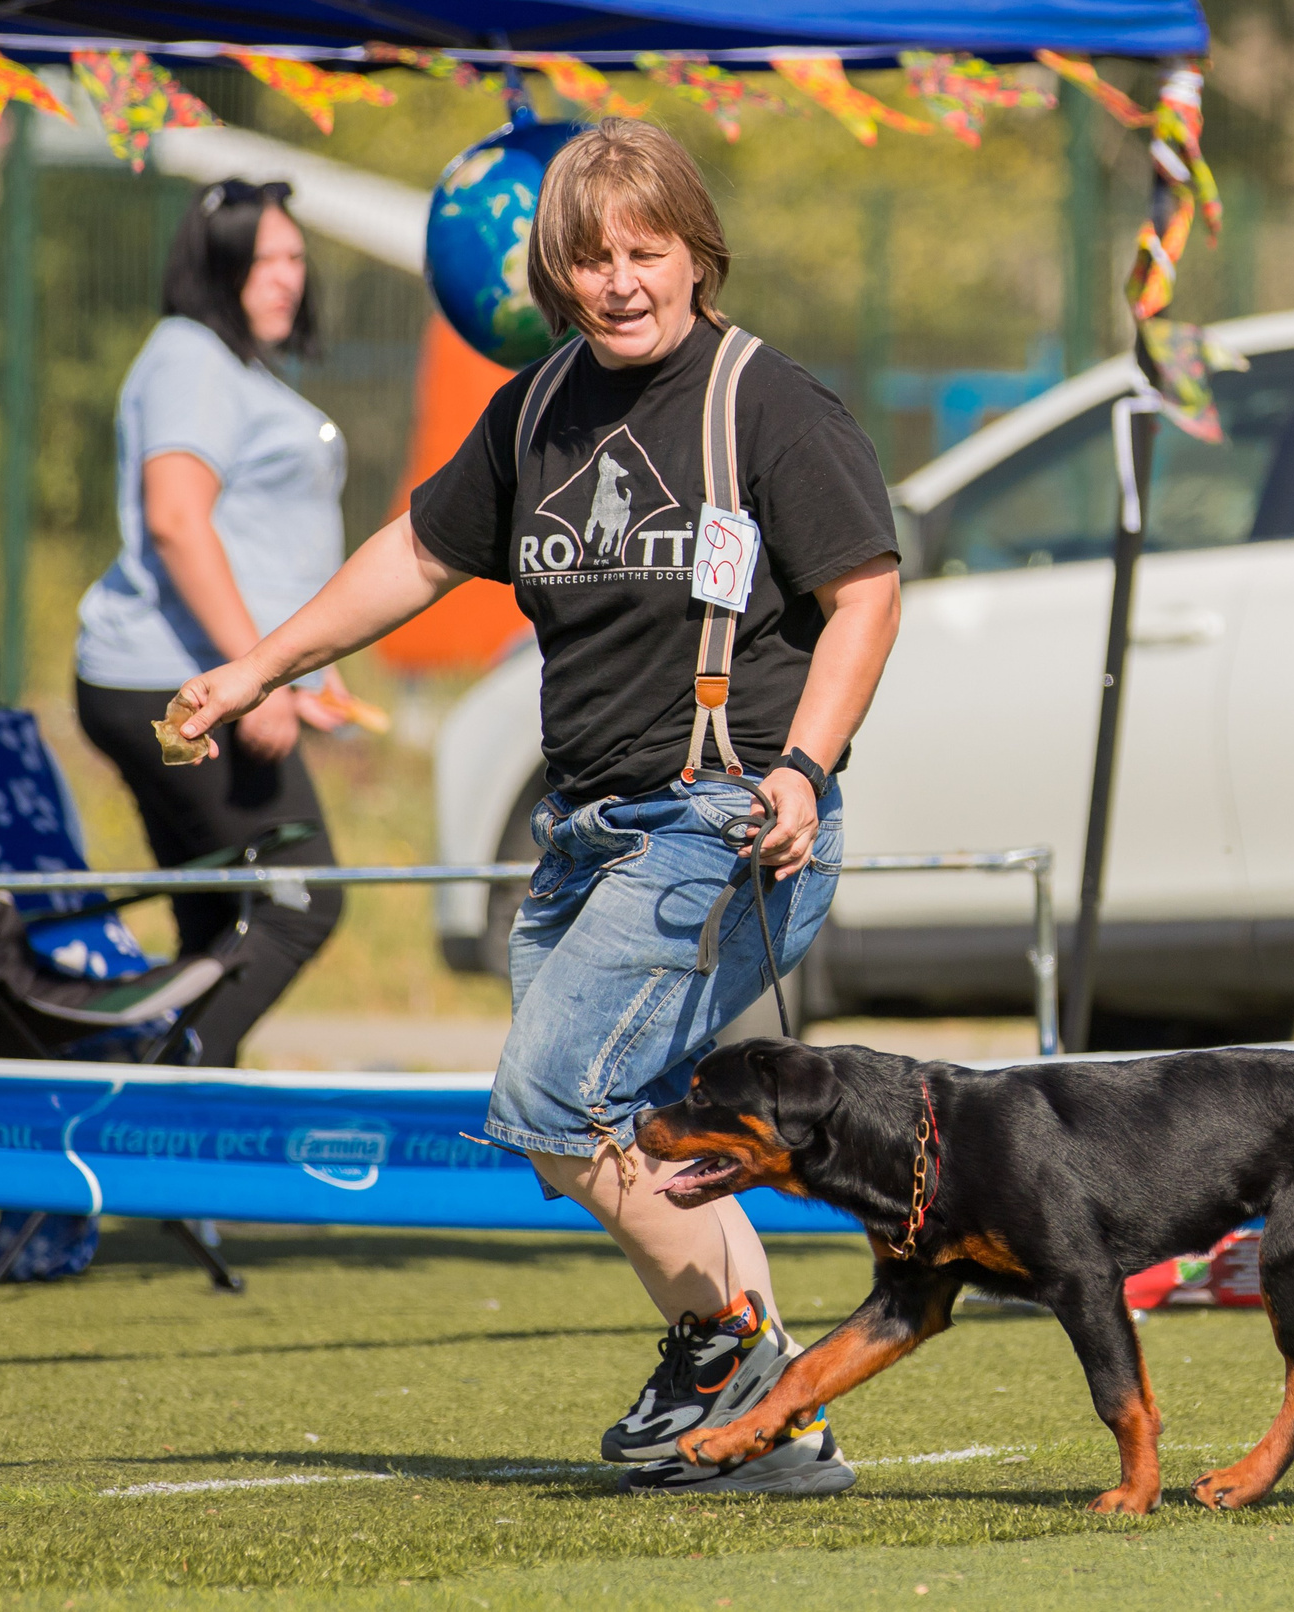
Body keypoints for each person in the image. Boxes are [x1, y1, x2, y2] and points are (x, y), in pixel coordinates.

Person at [164, 120, 902, 1495]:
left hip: (728, 823)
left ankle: (730, 1353)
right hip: (586, 834)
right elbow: (416, 554)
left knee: (557, 1099)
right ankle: (771, 1427)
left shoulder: (767, 404)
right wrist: (259, 664)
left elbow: (866, 594)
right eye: (590, 259)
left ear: (696, 254)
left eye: (645, 252)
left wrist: (804, 766)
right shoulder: (536, 406)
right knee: (627, 1127)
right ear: (554, 275)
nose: (620, 282)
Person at [73, 179, 357, 1068]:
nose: (285, 278)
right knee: (299, 901)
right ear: (213, 266)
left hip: (212, 668)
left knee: (221, 921)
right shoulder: (191, 357)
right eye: (260, 260)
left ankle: (175, 1131)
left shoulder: (232, 366)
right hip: (179, 677)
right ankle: (156, 1089)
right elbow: (176, 521)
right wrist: (256, 673)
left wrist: (310, 663)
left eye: (294, 257)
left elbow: (259, 539)